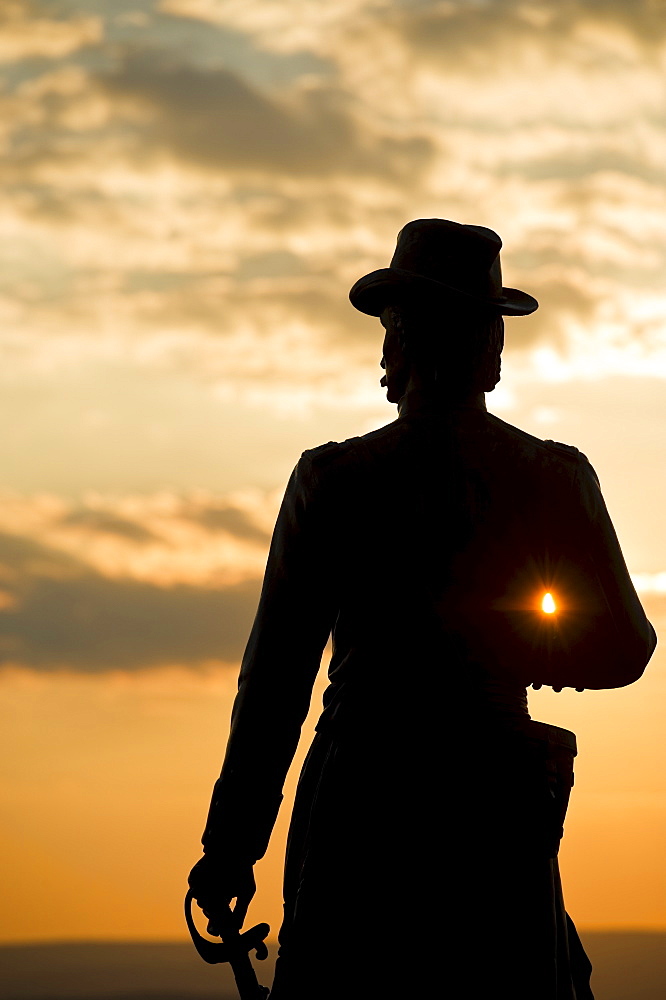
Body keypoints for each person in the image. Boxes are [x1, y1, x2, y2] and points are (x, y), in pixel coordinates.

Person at [188, 219, 656, 999]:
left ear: (405, 342)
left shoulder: (333, 481)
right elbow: (624, 646)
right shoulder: (554, 477)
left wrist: (232, 848)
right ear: (490, 356)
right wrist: (512, 648)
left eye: (387, 333)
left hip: (361, 802)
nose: (381, 357)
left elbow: (274, 689)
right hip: (498, 802)